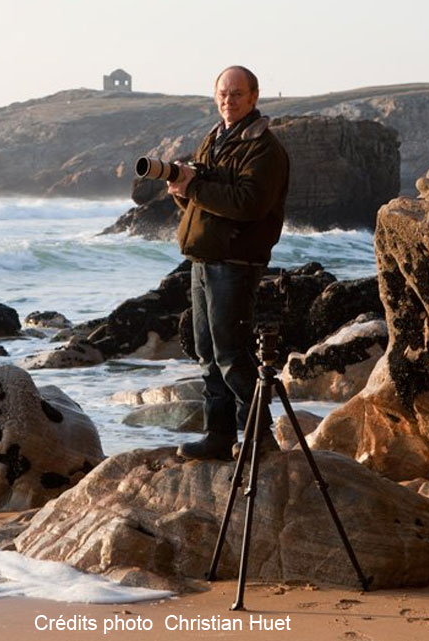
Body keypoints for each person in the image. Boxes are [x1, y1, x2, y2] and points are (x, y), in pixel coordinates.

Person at [166, 65, 290, 461]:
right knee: (206, 352)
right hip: (205, 260)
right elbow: (202, 204)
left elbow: (248, 205)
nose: (228, 100)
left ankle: (258, 436)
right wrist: (180, 191)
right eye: (222, 93)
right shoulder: (214, 139)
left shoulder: (264, 148)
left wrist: (196, 186)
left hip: (237, 261)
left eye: (236, 94)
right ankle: (218, 435)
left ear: (254, 97)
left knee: (231, 352)